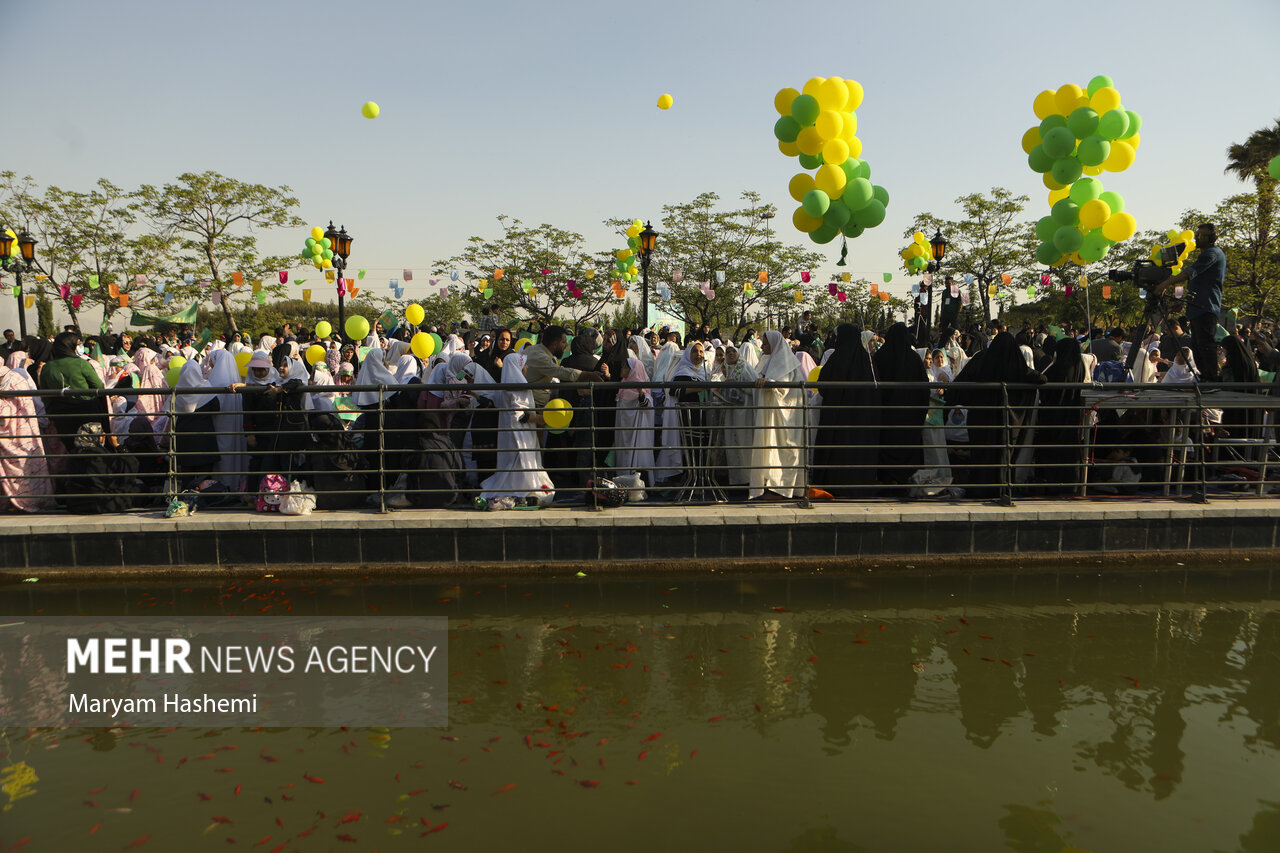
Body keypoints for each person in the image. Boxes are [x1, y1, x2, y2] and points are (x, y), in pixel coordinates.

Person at [479, 352, 555, 506]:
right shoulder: (518, 387)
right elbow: (519, 415)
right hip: (520, 435)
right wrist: (539, 419)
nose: (526, 367)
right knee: (522, 463)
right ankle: (523, 491)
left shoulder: (510, 385)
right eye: (523, 364)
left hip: (515, 433)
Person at [813, 324, 880, 496]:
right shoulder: (867, 360)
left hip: (837, 419)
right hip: (863, 419)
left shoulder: (837, 358)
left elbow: (823, 385)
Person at [1156, 223, 1225, 381]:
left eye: (1202, 235)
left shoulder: (1211, 254)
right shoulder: (1206, 255)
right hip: (1196, 308)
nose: (1197, 238)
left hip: (1205, 308)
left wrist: (1164, 284)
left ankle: (1211, 380)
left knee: (1205, 345)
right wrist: (1182, 302)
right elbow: (1195, 283)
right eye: (1197, 234)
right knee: (1198, 345)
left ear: (1212, 238)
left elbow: (1189, 273)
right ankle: (1205, 378)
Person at [871, 323, 930, 490]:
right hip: (909, 417)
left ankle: (887, 480)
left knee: (887, 447)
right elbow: (923, 389)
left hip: (887, 416)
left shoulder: (881, 356)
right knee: (907, 449)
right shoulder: (913, 358)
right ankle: (905, 481)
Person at [749, 330, 805, 500]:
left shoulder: (787, 363)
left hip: (786, 417)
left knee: (784, 451)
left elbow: (785, 387)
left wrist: (770, 383)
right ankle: (767, 486)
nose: (763, 347)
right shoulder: (768, 361)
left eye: (766, 344)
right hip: (771, 414)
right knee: (768, 449)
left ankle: (781, 489)